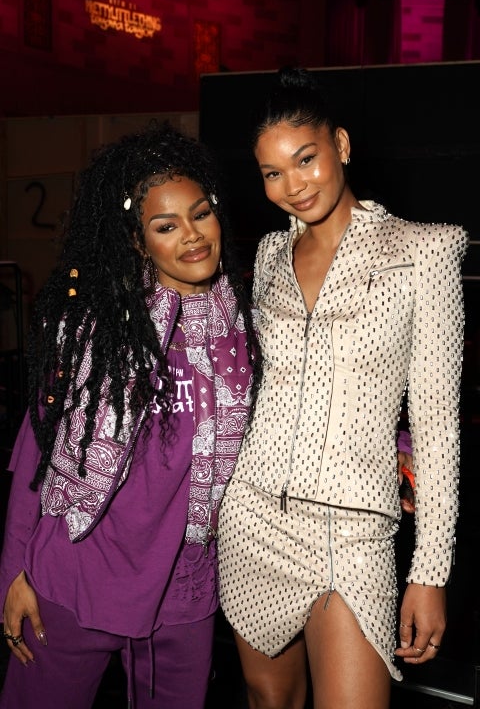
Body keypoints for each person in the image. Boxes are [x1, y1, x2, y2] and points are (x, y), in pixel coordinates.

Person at [216, 66, 468, 709]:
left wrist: (430, 571)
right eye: (273, 173)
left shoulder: (423, 252)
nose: (293, 185)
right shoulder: (268, 257)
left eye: (306, 159)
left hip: (352, 535)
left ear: (342, 145)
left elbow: (437, 424)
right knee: (269, 702)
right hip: (252, 518)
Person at [0, 121, 262, 709]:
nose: (192, 236)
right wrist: (14, 570)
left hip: (182, 594)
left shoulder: (244, 329)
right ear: (140, 242)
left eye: (201, 214)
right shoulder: (94, 326)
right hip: (73, 579)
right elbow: (35, 450)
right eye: (166, 226)